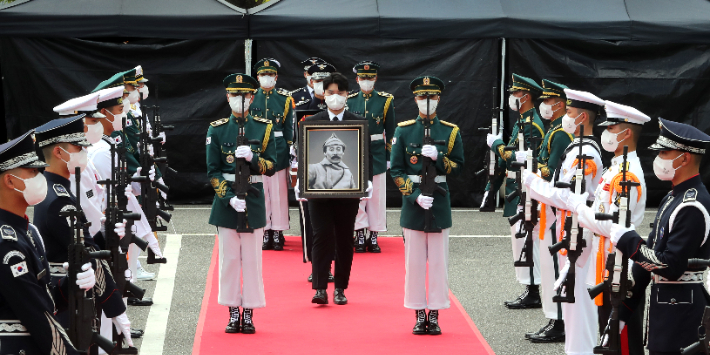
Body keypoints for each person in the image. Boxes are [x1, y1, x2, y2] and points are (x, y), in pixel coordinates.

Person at [608, 118, 710, 355]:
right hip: (666, 307)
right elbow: (649, 257)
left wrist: (628, 240)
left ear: (684, 158)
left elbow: (670, 265)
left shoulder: (692, 206)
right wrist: (621, 312)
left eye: (665, 152)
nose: (659, 158)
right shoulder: (672, 198)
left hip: (683, 311)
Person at [31, 115, 134, 348]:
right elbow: (86, 253)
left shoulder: (55, 190)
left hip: (72, 287)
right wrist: (117, 309)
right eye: (78, 147)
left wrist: (105, 233)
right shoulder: (60, 200)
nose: (83, 152)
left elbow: (83, 243)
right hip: (68, 295)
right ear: (59, 152)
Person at [558, 100, 649, 354]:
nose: (605, 133)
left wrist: (579, 208)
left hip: (619, 266)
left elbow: (611, 224)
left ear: (627, 132)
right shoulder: (616, 167)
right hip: (606, 264)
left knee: (622, 344)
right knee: (608, 339)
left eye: (612, 127)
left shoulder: (626, 174)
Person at [523, 88, 605, 355]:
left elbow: (569, 196)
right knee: (572, 301)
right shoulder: (576, 147)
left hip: (578, 231)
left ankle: (581, 350)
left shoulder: (586, 153)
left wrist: (535, 184)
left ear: (582, 117)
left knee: (578, 301)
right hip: (569, 228)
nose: (565, 118)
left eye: (569, 113)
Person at [0, 130, 96, 355]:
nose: (40, 178)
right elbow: (36, 314)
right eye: (33, 172)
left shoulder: (27, 230)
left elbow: (43, 294)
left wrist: (72, 282)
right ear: (10, 180)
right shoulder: (7, 244)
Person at [389, 75, 464, 335]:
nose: (427, 101)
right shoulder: (403, 130)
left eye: (431, 97)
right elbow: (397, 170)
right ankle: (419, 312)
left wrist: (440, 157)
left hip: (440, 201)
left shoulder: (450, 130)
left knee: (439, 263)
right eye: (422, 96)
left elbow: (458, 166)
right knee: (415, 263)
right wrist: (413, 196)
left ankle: (436, 312)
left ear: (439, 99)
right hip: (415, 203)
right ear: (415, 99)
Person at [206, 73, 276, 334]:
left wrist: (254, 158)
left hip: (254, 199)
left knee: (252, 260)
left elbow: (271, 166)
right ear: (227, 96)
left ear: (253, 96)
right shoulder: (217, 128)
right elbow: (212, 171)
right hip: (227, 204)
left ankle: (250, 311)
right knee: (230, 260)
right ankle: (232, 309)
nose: (240, 99)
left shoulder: (264, 126)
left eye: (245, 95)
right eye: (234, 94)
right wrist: (228, 197)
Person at [295, 72, 373, 305]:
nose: (335, 97)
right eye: (330, 93)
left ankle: (340, 287)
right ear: (323, 95)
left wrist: (366, 180)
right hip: (318, 194)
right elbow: (302, 155)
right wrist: (302, 179)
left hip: (349, 194)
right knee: (321, 237)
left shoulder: (357, 122)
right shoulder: (310, 122)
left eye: (340, 93)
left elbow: (365, 155)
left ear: (347, 95)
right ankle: (319, 287)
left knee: (344, 239)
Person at [87, 77, 166, 308]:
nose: (125, 113)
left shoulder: (108, 143)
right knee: (114, 268)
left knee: (122, 261)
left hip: (116, 210)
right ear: (104, 113)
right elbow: (103, 192)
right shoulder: (101, 150)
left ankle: (124, 296)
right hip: (105, 219)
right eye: (120, 110)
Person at [485, 73, 545, 309]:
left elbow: (518, 158)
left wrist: (497, 145)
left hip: (524, 191)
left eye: (515, 93)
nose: (512, 97)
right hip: (516, 190)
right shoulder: (522, 122)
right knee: (521, 241)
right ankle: (530, 288)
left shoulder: (532, 126)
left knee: (526, 241)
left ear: (526, 96)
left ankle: (533, 290)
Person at [521, 79, 572, 343]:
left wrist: (533, 169)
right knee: (550, 264)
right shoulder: (554, 129)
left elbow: (550, 172)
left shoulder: (561, 133)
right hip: (547, 202)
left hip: (554, 206)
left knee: (554, 265)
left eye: (547, 101)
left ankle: (559, 322)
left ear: (559, 104)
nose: (543, 105)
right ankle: (554, 319)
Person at [347, 61, 395, 253]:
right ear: (357, 79)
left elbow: (391, 131)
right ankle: (359, 233)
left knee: (376, 197)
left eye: (370, 77)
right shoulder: (349, 100)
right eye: (363, 78)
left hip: (376, 152)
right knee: (357, 197)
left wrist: (389, 156)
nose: (366, 81)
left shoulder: (386, 100)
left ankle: (374, 236)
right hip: (355, 153)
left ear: (375, 78)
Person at [249, 58, 294, 251]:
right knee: (261, 191)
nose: (267, 78)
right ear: (257, 77)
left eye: (270, 74)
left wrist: (290, 149)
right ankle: (265, 230)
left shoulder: (285, 99)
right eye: (263, 74)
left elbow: (288, 128)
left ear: (276, 77)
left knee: (278, 193)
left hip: (278, 149)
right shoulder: (250, 97)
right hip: (257, 149)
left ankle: (278, 231)